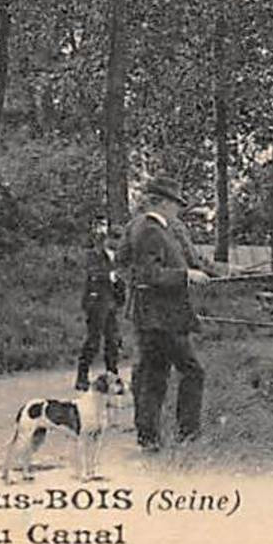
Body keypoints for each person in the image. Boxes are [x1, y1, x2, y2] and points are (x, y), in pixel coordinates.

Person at [121, 176, 218, 451]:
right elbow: (149, 274)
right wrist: (187, 275)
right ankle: (188, 435)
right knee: (192, 371)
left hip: (152, 316)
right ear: (161, 203)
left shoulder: (140, 226)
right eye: (175, 203)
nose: (177, 209)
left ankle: (149, 438)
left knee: (155, 374)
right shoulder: (151, 230)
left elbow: (126, 265)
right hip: (163, 317)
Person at [75, 215, 125, 390]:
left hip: (111, 304)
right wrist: (110, 276)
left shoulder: (118, 259)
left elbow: (122, 279)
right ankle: (82, 375)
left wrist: (120, 292)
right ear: (107, 239)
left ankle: (112, 375)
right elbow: (93, 273)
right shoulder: (94, 255)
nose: (117, 243)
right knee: (93, 341)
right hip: (96, 303)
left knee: (113, 341)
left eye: (120, 239)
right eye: (115, 238)